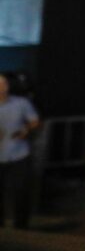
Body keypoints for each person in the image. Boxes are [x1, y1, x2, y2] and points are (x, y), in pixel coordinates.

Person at [0, 73, 40, 229]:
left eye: (4, 84)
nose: (2, 87)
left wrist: (26, 130)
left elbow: (35, 121)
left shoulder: (21, 103)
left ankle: (22, 227)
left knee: (21, 192)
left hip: (19, 155)